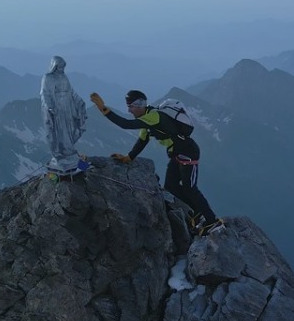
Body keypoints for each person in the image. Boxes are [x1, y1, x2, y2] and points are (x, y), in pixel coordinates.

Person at [89, 89, 224, 235]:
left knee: (190, 188)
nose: (129, 110)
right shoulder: (148, 119)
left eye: (131, 107)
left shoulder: (154, 116)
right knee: (170, 186)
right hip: (178, 155)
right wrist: (129, 157)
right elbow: (142, 140)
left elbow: (126, 124)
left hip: (188, 153)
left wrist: (104, 109)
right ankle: (198, 212)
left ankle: (213, 221)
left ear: (140, 105)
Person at [41, 56, 87, 173]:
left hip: (68, 107)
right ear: (54, 66)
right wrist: (49, 107)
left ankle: (70, 152)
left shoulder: (64, 77)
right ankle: (61, 154)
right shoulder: (47, 78)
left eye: (63, 67)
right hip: (57, 109)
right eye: (60, 67)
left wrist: (79, 101)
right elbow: (45, 94)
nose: (61, 69)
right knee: (60, 131)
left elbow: (71, 92)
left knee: (70, 129)